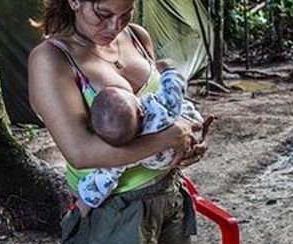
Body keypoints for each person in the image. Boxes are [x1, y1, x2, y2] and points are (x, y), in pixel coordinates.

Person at [27, 0, 207, 244]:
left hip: (168, 198)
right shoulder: (53, 60)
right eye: (103, 14)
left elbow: (163, 108)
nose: (114, 27)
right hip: (115, 215)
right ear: (74, 0)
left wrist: (186, 143)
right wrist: (168, 139)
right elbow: (81, 152)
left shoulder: (137, 37)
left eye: (125, 15)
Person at [76, 59, 205, 211]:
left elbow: (105, 176)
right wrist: (169, 71)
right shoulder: (158, 110)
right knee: (178, 106)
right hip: (190, 133)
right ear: (140, 111)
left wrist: (86, 201)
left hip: (162, 162)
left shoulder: (130, 151)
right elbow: (173, 89)